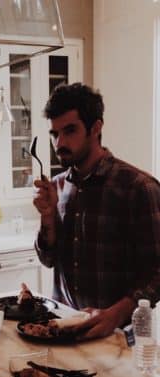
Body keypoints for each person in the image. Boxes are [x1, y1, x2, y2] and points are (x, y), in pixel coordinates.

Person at [33, 83, 160, 340]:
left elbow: (157, 273)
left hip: (121, 337)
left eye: (70, 131)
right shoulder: (57, 186)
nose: (60, 143)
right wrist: (48, 219)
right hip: (66, 327)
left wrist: (117, 313)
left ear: (96, 128)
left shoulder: (138, 188)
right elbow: (48, 260)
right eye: (54, 134)